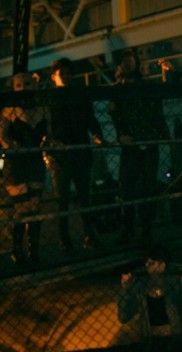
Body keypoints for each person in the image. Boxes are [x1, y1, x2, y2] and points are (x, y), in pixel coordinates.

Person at [108, 49, 169, 244]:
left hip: (147, 142)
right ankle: (129, 229)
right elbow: (115, 115)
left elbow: (157, 109)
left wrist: (160, 133)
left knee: (147, 188)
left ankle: (145, 229)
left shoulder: (146, 86)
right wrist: (121, 134)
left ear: (136, 63)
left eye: (130, 61)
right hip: (132, 145)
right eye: (125, 61)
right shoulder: (118, 89)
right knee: (127, 189)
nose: (128, 64)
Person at [48, 57, 105, 253]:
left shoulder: (58, 97)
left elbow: (90, 119)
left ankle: (79, 237)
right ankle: (70, 239)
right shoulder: (53, 98)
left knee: (79, 198)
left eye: (67, 73)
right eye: (61, 73)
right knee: (65, 199)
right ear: (54, 76)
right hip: (65, 154)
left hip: (74, 152)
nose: (65, 76)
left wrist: (97, 134)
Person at [0, 72, 50, 264]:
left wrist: (50, 143)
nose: (23, 88)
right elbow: (2, 136)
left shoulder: (43, 108)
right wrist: (14, 148)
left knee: (34, 207)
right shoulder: (8, 110)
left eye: (27, 84)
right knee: (21, 208)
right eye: (19, 85)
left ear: (35, 85)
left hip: (35, 161)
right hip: (16, 163)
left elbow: (49, 134)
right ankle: (17, 250)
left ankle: (33, 250)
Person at [118, 244, 182, 348]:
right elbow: (123, 317)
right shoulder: (140, 287)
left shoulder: (175, 284)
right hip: (151, 342)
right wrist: (126, 288)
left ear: (162, 266)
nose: (147, 265)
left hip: (176, 340)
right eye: (146, 262)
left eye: (151, 263)